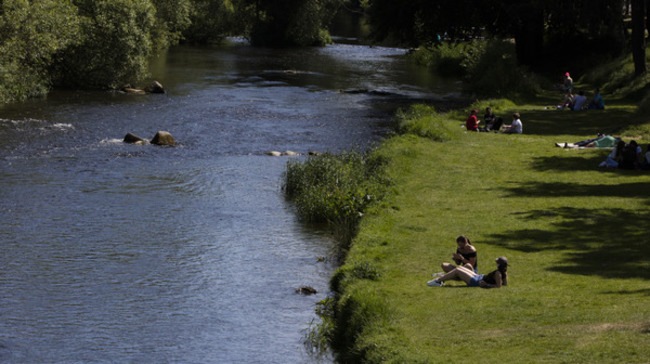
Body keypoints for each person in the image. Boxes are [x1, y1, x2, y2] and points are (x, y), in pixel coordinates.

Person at [428, 256, 508, 288]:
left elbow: (499, 286)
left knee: (458, 270)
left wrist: (487, 284)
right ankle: (442, 279)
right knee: (462, 267)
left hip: (477, 281)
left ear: (499, 264)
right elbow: (505, 284)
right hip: (479, 276)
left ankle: (438, 281)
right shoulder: (504, 272)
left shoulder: (498, 273)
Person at [555, 134, 620, 148]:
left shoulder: (614, 140)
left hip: (600, 140)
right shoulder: (615, 141)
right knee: (584, 142)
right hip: (601, 139)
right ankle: (571, 145)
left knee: (585, 142)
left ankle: (571, 145)